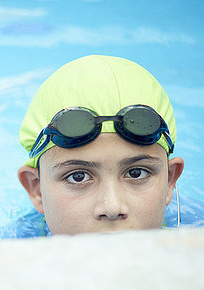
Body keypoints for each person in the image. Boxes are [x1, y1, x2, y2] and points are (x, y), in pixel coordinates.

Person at [12, 55, 185, 236]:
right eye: (78, 177)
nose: (112, 208)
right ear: (37, 189)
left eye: (137, 173)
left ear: (169, 181)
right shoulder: (6, 255)